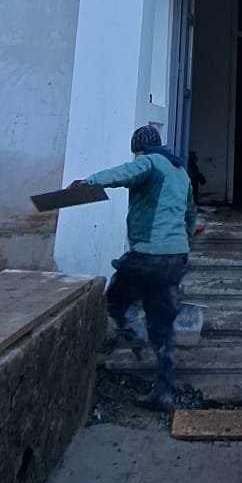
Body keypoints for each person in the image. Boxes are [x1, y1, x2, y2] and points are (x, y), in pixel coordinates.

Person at [77, 125, 198, 409]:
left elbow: (124, 174)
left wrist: (90, 182)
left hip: (148, 256)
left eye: (135, 152)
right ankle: (162, 392)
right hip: (176, 257)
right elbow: (191, 214)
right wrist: (184, 241)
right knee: (163, 326)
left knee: (116, 301)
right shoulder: (181, 173)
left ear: (139, 148)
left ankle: (134, 333)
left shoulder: (149, 161)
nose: (135, 158)